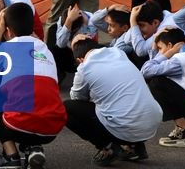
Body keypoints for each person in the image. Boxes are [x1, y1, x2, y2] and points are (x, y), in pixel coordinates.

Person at [0, 3, 66, 169]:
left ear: (8, 31)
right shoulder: (45, 49)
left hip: (19, 125)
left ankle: (11, 156)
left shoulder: (6, 48)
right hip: (52, 129)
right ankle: (33, 148)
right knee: (32, 93)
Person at [65, 38, 162, 166]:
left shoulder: (84, 68)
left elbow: (77, 98)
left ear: (79, 60)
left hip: (125, 127)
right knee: (124, 98)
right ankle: (135, 147)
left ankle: (107, 147)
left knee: (66, 108)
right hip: (152, 122)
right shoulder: (118, 53)